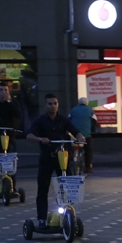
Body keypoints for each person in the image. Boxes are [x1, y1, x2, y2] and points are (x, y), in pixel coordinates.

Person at [26, 94, 86, 229]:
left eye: (55, 103)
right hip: (47, 158)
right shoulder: (40, 120)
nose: (53, 106)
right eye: (50, 104)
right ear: (45, 106)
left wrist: (80, 136)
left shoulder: (63, 120)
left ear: (58, 104)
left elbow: (75, 131)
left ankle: (68, 215)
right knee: (43, 189)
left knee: (68, 186)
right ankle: (42, 219)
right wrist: (41, 139)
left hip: (62, 157)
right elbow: (29, 135)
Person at [69, 97, 95, 173]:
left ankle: (71, 156)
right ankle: (88, 167)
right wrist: (92, 130)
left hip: (74, 134)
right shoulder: (90, 110)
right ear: (87, 103)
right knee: (88, 150)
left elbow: (69, 120)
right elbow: (94, 121)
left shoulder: (73, 110)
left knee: (70, 146)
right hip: (86, 134)